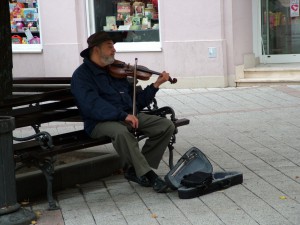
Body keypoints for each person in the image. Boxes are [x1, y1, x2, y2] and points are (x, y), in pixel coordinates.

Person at [71, 31, 175, 193]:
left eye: (114, 46)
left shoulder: (114, 72)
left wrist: (155, 85)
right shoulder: (82, 76)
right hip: (99, 122)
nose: (114, 50)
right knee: (121, 133)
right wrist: (123, 115)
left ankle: (136, 170)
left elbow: (136, 103)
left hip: (125, 116)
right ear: (96, 49)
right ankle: (149, 176)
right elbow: (92, 105)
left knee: (165, 125)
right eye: (109, 46)